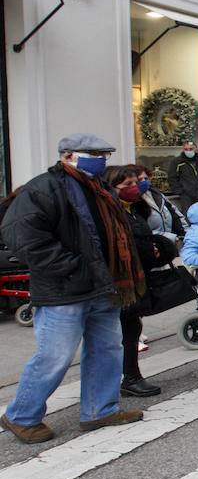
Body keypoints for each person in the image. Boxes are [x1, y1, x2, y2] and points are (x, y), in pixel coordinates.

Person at [1, 134, 145, 443]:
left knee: (106, 349)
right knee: (55, 355)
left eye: (104, 153)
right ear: (67, 156)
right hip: (64, 288)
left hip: (103, 286)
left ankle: (99, 409)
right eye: (93, 153)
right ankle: (21, 416)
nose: (102, 159)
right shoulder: (43, 188)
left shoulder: (100, 188)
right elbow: (21, 235)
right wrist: (70, 266)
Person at [107, 165, 177, 397]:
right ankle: (124, 379)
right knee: (118, 331)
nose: (134, 188)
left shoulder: (133, 209)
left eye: (135, 183)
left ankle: (130, 376)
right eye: (127, 185)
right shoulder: (111, 212)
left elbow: (143, 238)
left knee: (131, 327)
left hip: (136, 277)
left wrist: (160, 248)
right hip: (118, 282)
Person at [133, 165, 186, 250]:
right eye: (139, 180)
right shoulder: (133, 201)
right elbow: (142, 230)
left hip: (173, 245)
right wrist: (171, 238)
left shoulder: (157, 195)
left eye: (145, 179)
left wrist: (185, 233)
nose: (143, 182)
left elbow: (176, 214)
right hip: (153, 247)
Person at [166, 139, 198, 209]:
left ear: (196, 149)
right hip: (187, 197)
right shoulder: (177, 162)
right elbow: (172, 178)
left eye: (191, 149)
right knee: (188, 216)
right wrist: (180, 191)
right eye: (186, 149)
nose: (188, 151)